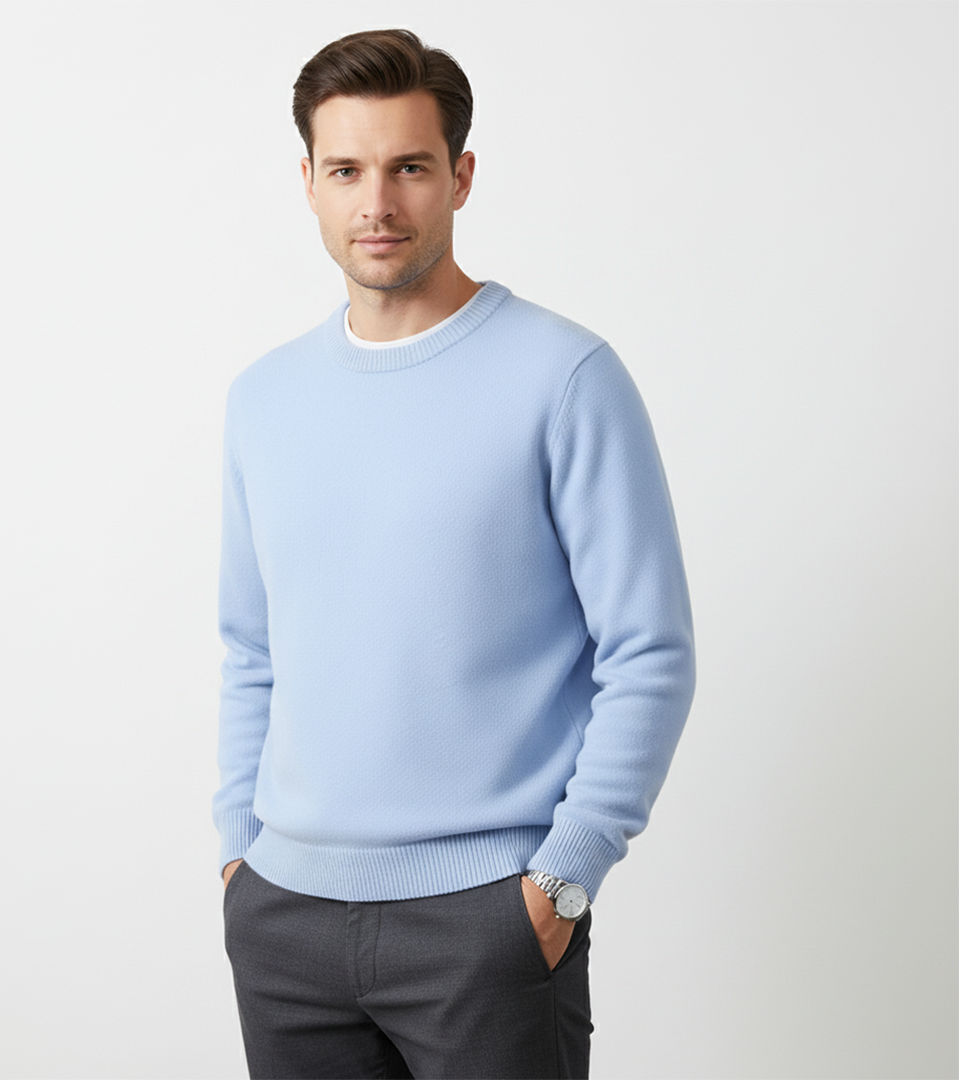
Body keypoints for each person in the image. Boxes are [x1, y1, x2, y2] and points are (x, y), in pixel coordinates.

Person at [213, 28, 695, 1080]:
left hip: (485, 922)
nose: (376, 204)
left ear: (461, 177)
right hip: (283, 921)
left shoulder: (565, 378)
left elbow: (650, 652)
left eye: (409, 168)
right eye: (347, 171)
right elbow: (251, 650)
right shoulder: (264, 399)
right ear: (308, 182)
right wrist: (237, 858)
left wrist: (562, 880)